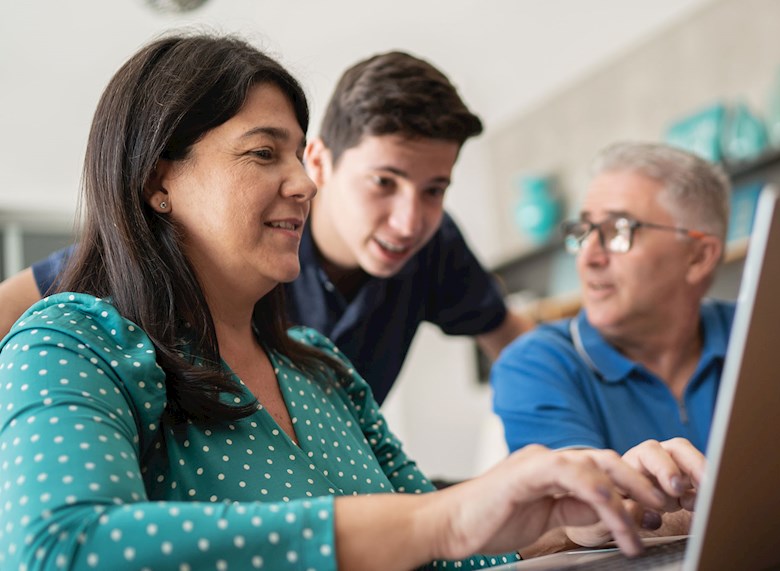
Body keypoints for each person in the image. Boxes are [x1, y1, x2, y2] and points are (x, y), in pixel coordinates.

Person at [0, 33, 705, 571]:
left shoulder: (324, 369)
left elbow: (438, 540)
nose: (302, 183)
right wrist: (442, 521)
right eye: (262, 154)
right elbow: (58, 545)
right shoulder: (72, 340)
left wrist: (571, 513)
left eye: (295, 153)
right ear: (159, 180)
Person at [0, 49, 536, 406]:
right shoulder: (96, 316)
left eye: (434, 190)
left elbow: (514, 343)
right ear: (322, 163)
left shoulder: (435, 249)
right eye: (383, 182)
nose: (409, 220)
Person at [491, 141, 733, 457]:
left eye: (619, 230)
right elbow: (575, 501)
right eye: (585, 230)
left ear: (699, 257)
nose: (588, 256)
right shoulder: (534, 364)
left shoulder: (766, 330)